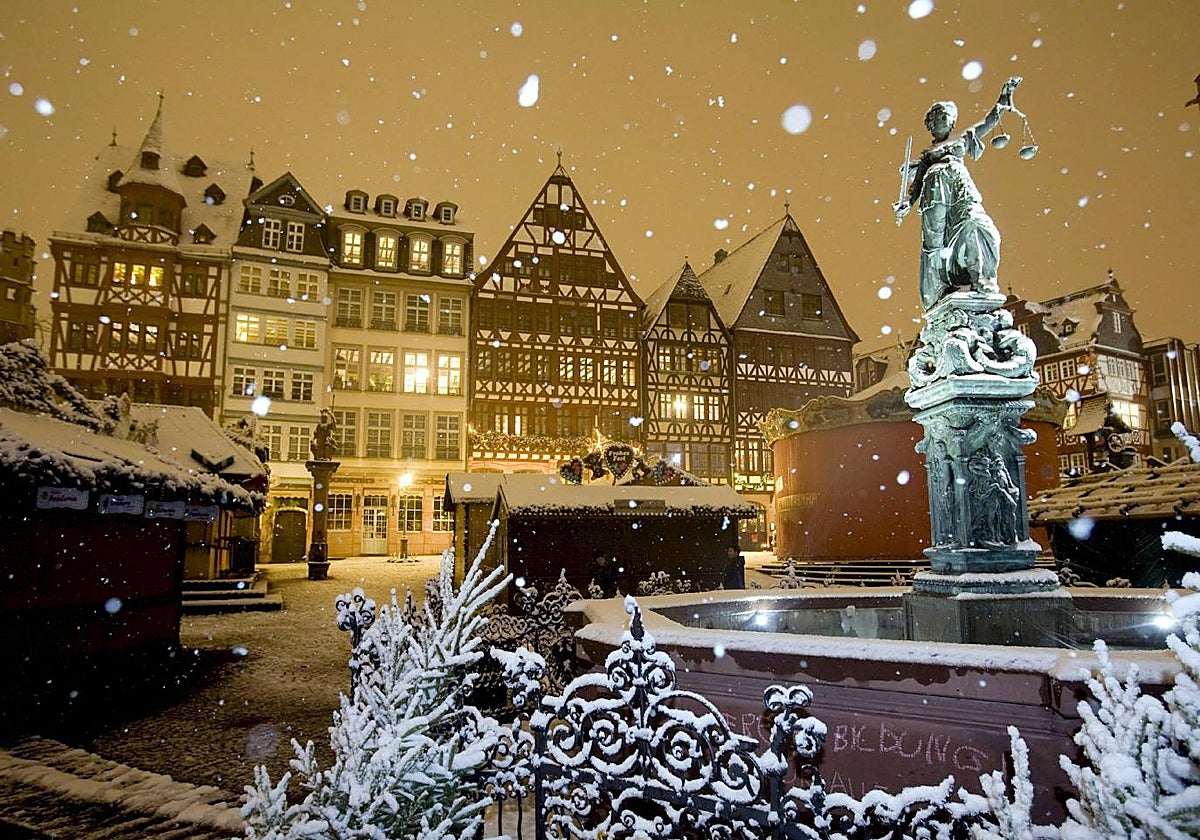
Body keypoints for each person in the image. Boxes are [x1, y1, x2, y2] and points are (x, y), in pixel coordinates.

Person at [895, 77, 1021, 310]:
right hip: (935, 195)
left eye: (945, 116)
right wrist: (907, 203)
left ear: (952, 122)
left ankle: (980, 278)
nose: (941, 120)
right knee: (935, 244)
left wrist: (1003, 100)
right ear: (930, 125)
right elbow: (917, 185)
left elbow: (988, 122)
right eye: (937, 117)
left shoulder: (962, 138)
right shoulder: (927, 156)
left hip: (961, 191)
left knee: (980, 226)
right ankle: (941, 286)